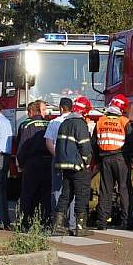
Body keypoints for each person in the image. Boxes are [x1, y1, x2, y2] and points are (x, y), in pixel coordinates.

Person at [93, 94, 133, 230]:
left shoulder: (100, 121)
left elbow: (94, 143)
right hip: (121, 159)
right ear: (122, 108)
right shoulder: (124, 121)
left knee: (105, 191)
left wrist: (98, 160)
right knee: (124, 189)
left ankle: (102, 222)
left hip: (105, 159)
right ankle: (126, 221)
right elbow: (132, 141)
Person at [53, 96, 94, 236]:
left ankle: (57, 225)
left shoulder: (65, 123)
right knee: (82, 194)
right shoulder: (80, 123)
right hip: (78, 166)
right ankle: (80, 227)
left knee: (66, 194)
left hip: (65, 165)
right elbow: (85, 146)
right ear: (84, 111)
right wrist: (87, 162)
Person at [16, 99, 51, 226]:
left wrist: (20, 163)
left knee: (28, 193)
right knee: (46, 194)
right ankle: (45, 221)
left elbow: (22, 146)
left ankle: (25, 221)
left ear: (31, 111)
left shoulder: (26, 125)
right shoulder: (49, 124)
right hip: (48, 162)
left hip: (32, 163)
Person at [45, 97, 76, 231]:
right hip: (73, 161)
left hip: (58, 160)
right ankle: (72, 222)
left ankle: (58, 222)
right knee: (73, 190)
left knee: (57, 190)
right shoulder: (77, 122)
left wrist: (57, 156)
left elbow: (48, 142)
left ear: (61, 108)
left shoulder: (53, 122)